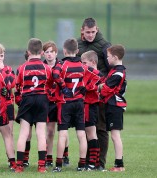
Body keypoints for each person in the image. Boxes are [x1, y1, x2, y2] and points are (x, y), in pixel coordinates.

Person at [52, 38, 99, 172]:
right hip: (79, 103)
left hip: (65, 102)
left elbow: (55, 74)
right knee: (81, 134)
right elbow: (97, 75)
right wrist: (86, 87)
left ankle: (58, 165)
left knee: (62, 134)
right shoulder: (83, 66)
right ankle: (81, 165)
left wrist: (62, 86)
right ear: (77, 51)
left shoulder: (62, 65)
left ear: (64, 50)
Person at [13, 38, 53, 173]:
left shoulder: (22, 68)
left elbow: (17, 86)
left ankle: (19, 165)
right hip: (42, 99)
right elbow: (50, 84)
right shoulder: (47, 68)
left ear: (28, 51)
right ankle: (42, 166)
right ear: (42, 52)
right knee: (41, 133)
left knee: (24, 133)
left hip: (27, 99)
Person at [77, 17, 111, 170]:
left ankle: (100, 163)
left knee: (101, 128)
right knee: (87, 128)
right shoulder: (77, 45)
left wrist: (98, 80)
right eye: (87, 32)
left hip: (99, 93)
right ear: (82, 31)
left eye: (93, 32)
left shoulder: (104, 45)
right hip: (83, 94)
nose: (90, 35)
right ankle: (90, 161)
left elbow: (112, 67)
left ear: (97, 30)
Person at [99, 44, 127, 172]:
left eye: (109, 57)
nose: (107, 59)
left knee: (115, 135)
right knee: (114, 135)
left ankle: (119, 165)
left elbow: (105, 90)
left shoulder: (118, 73)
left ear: (115, 57)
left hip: (115, 106)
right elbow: (104, 82)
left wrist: (101, 87)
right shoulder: (114, 70)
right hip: (111, 106)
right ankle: (118, 164)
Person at [0, 41, 16, 169]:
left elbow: (11, 84)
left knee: (9, 132)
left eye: (1, 55)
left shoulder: (8, 70)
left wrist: (2, 70)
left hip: (8, 105)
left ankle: (11, 160)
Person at [81, 50, 103, 170]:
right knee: (88, 133)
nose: (83, 65)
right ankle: (94, 163)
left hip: (90, 105)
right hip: (87, 105)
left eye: (84, 62)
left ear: (93, 62)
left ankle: (93, 163)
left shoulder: (97, 74)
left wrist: (84, 88)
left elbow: (93, 87)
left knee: (91, 133)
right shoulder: (88, 73)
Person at [42, 41, 59, 167]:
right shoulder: (41, 67)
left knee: (61, 129)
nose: (49, 55)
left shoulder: (62, 66)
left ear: (56, 53)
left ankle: (65, 154)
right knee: (48, 131)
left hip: (59, 102)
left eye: (51, 52)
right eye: (47, 52)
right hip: (46, 102)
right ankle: (48, 157)